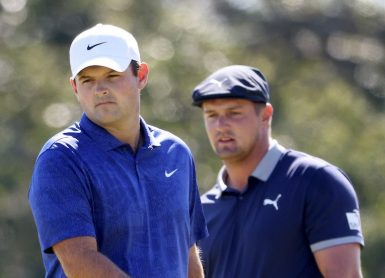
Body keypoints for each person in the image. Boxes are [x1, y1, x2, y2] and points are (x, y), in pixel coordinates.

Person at [28, 23, 208, 278]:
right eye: (87, 80)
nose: (100, 89)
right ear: (75, 87)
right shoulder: (61, 158)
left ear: (142, 75)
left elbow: (187, 254)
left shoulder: (176, 153)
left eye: (112, 75)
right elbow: (80, 263)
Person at [191, 65, 364, 277]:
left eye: (234, 113)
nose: (221, 125)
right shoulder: (203, 210)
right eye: (211, 115)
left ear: (265, 115)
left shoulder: (317, 181)